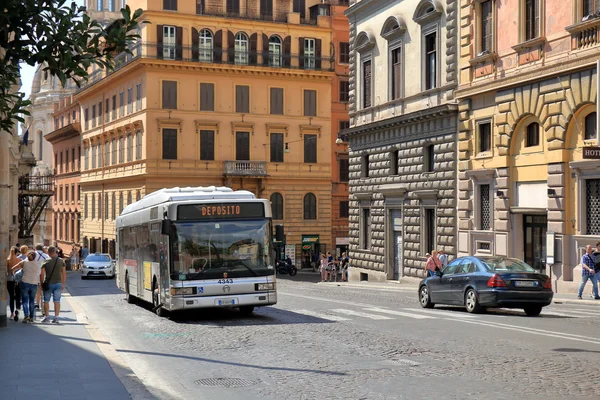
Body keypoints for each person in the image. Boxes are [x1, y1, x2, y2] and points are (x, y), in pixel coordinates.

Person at [10, 250, 40, 323]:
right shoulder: (38, 263)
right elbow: (40, 273)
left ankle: (26, 316)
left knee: (25, 301)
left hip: (25, 282)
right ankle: (31, 317)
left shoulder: (24, 262)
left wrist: (14, 276)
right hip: (34, 283)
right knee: (32, 301)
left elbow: (12, 268)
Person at [40, 246, 67, 324]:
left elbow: (41, 274)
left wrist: (41, 283)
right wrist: (63, 283)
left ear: (48, 252)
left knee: (46, 301)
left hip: (48, 283)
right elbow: (64, 273)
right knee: (57, 301)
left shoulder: (46, 261)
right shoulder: (61, 261)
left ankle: (47, 317)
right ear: (56, 252)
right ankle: (56, 317)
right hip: (58, 283)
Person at [6, 246, 22, 321]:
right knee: (18, 295)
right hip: (18, 280)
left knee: (11, 296)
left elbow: (6, 271)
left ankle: (12, 313)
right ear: (17, 252)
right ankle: (17, 310)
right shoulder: (20, 260)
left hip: (9, 280)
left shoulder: (7, 260)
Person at [33, 244, 50, 310]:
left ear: (35, 248)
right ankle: (41, 305)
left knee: (35, 290)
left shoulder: (33, 254)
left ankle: (36, 303)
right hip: (43, 274)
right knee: (41, 290)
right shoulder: (46, 256)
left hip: (34, 274)